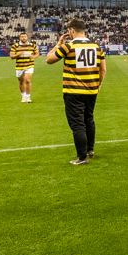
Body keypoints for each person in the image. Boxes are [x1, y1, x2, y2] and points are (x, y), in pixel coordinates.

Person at [45, 18, 105, 165]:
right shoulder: (97, 47)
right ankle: (90, 150)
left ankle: (82, 157)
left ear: (71, 30)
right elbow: (103, 69)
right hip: (91, 90)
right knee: (89, 119)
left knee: (78, 124)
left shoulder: (68, 46)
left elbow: (49, 59)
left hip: (73, 91)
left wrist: (59, 44)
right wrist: (98, 85)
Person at [10, 32, 40, 102]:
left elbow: (37, 53)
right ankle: (23, 96)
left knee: (28, 80)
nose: (23, 38)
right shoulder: (15, 46)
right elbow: (11, 56)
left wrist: (34, 57)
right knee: (21, 81)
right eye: (22, 37)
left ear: (27, 37)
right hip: (19, 66)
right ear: (20, 38)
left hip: (29, 65)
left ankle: (28, 97)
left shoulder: (32, 45)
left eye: (25, 37)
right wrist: (18, 54)